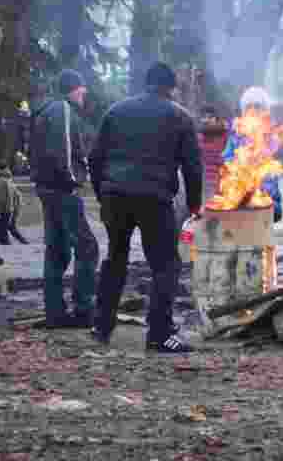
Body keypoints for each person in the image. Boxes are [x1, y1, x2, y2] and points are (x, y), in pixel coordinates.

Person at [90, 62, 203, 353]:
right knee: (165, 265)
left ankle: (101, 327)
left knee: (115, 258)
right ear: (171, 87)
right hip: (155, 199)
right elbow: (193, 168)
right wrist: (194, 205)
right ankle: (159, 334)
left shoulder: (116, 111)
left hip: (115, 197)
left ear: (146, 82)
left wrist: (102, 193)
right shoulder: (180, 117)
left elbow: (95, 157)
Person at [30, 69, 101, 329]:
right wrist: (74, 181)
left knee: (57, 250)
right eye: (83, 87)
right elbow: (64, 150)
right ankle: (83, 310)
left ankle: (55, 313)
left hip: (47, 189)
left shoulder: (47, 110)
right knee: (87, 247)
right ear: (73, 88)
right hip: (62, 190)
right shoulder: (62, 110)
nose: (86, 92)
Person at [223, 87, 283, 222]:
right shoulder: (236, 133)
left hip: (264, 199)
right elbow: (227, 159)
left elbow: (271, 174)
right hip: (239, 195)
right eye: (249, 106)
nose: (253, 110)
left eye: (257, 106)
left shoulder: (270, 134)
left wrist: (260, 195)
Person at [0, 162, 28, 244]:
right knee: (7, 227)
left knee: (0, 227)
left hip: (6, 208)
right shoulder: (6, 179)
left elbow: (1, 197)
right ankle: (21, 241)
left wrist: (0, 210)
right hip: (11, 207)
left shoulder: (2, 180)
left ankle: (1, 242)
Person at [198, 105, 229, 202]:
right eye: (204, 117)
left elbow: (228, 156)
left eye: (210, 117)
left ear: (216, 118)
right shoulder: (198, 136)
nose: (206, 120)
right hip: (202, 180)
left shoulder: (225, 134)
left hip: (220, 179)